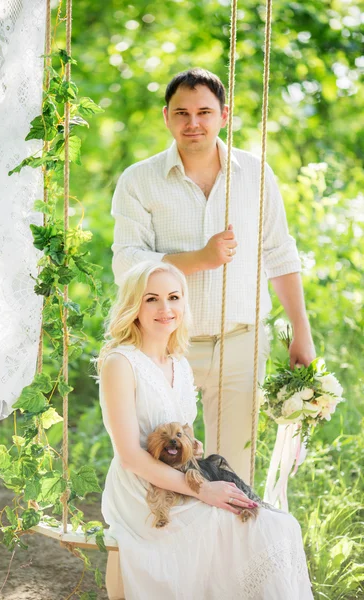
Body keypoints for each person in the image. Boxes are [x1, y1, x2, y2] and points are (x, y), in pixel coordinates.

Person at [111, 68, 316, 482]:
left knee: (234, 470)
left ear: (225, 115)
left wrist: (301, 330)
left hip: (239, 340)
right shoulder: (139, 179)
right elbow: (126, 263)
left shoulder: (256, 174)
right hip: (163, 347)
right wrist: (198, 259)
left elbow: (279, 252)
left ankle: (230, 547)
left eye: (204, 111)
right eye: (182, 113)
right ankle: (161, 546)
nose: (193, 123)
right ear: (165, 116)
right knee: (165, 467)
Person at [98, 260, 313, 600]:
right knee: (235, 527)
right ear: (134, 306)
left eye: (174, 297)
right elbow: (130, 458)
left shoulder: (180, 365)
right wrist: (202, 491)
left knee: (280, 525)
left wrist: (190, 448)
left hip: (185, 480)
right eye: (151, 299)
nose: (165, 308)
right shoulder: (120, 363)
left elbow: (184, 433)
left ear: (184, 303)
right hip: (143, 492)